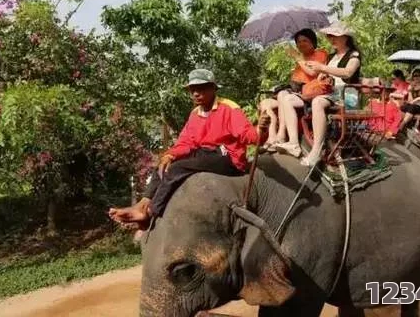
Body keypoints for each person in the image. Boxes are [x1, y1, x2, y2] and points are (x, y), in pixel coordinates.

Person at [108, 69, 270, 229]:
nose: (196, 94)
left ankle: (151, 211)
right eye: (193, 90)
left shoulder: (228, 108)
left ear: (213, 88)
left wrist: (260, 130)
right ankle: (143, 205)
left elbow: (249, 136)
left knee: (178, 168)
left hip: (226, 156)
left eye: (201, 89)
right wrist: (170, 155)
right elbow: (185, 142)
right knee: (164, 164)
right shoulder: (195, 114)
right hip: (204, 154)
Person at [276, 21, 361, 166]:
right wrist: (323, 75)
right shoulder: (333, 56)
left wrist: (322, 68)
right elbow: (327, 75)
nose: (331, 39)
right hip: (332, 93)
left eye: (334, 36)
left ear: (345, 37)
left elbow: (347, 73)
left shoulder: (353, 55)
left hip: (348, 96)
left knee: (317, 102)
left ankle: (316, 149)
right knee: (288, 99)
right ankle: (293, 142)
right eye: (329, 36)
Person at [258, 29, 327, 152]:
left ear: (313, 42)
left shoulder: (320, 54)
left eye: (305, 40)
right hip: (294, 92)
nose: (301, 43)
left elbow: (312, 73)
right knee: (265, 103)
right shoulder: (301, 59)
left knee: (283, 95)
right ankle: (272, 137)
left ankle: (282, 136)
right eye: (298, 41)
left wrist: (298, 58)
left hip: (308, 93)